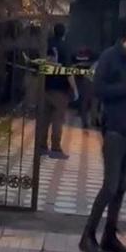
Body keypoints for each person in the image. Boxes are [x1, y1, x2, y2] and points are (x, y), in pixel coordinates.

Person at [79, 21, 126, 252]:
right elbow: (98, 89)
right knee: (110, 186)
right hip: (114, 131)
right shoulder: (110, 57)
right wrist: (124, 89)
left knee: (121, 187)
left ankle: (109, 236)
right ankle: (87, 236)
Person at [36, 23, 78, 159]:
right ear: (64, 33)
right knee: (57, 119)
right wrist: (74, 89)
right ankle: (55, 148)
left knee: (44, 118)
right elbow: (68, 71)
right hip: (60, 88)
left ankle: (41, 146)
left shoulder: (46, 44)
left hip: (45, 86)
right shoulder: (65, 47)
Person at [72, 46, 96, 130]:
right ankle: (86, 121)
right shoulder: (77, 56)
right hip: (86, 79)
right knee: (87, 100)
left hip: (88, 79)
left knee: (89, 101)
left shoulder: (93, 58)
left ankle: (90, 120)